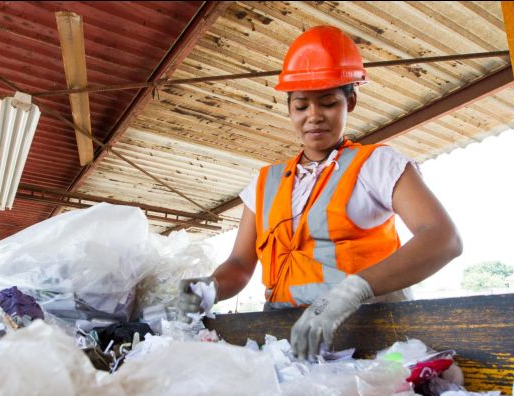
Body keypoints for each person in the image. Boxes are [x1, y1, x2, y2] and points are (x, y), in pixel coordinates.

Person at [178, 26, 462, 359]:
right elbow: (240, 264)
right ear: (289, 108)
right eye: (301, 106)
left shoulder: (375, 165)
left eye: (327, 103)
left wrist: (351, 292)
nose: (313, 117)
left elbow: (443, 239)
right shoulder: (264, 182)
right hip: (288, 339)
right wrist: (209, 288)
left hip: (369, 338)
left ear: (350, 101)